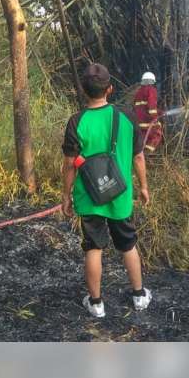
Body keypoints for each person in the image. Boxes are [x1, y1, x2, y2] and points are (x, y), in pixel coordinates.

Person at [62, 63, 152, 317]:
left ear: (83, 90)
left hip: (89, 197)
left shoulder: (76, 122)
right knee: (128, 244)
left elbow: (69, 164)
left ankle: (97, 304)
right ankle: (138, 296)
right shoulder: (126, 116)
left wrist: (65, 195)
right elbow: (138, 158)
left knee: (93, 248)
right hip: (120, 196)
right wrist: (143, 187)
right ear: (110, 89)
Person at [132, 71, 163, 152]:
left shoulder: (138, 92)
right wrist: (155, 118)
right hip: (147, 121)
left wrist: (160, 112)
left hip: (138, 122)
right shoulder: (151, 90)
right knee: (157, 133)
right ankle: (148, 153)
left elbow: (139, 106)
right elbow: (151, 107)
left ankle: (141, 152)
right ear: (152, 81)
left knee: (142, 139)